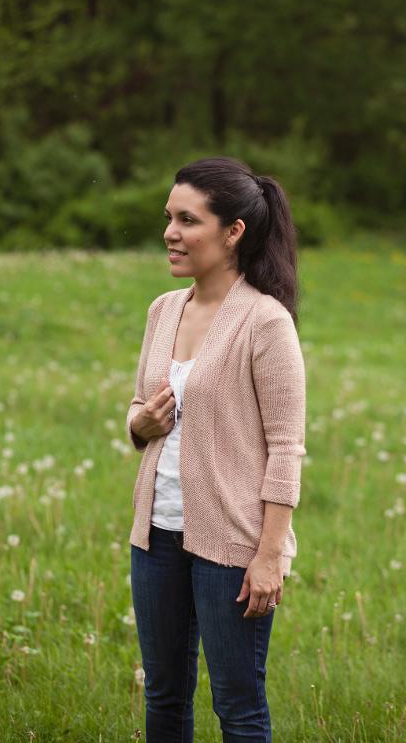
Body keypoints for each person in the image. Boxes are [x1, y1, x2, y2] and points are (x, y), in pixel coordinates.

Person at [126, 156, 307, 743]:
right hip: (155, 538)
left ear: (233, 233)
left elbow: (286, 447)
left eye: (187, 220)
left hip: (232, 546)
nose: (170, 234)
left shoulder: (265, 321)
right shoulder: (163, 310)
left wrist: (270, 554)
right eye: (168, 218)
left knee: (238, 706)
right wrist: (141, 426)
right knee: (163, 696)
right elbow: (137, 411)